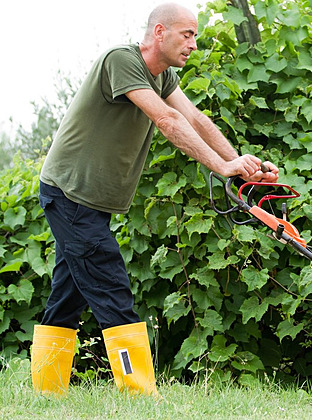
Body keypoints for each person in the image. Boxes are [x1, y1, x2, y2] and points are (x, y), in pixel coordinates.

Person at [30, 2, 279, 397]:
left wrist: (241, 166)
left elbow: (196, 119)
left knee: (68, 292)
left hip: (90, 201)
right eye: (188, 34)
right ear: (159, 32)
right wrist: (220, 166)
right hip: (70, 193)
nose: (194, 44)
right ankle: (139, 391)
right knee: (111, 285)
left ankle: (46, 389)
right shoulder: (121, 60)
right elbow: (168, 121)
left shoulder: (163, 77)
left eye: (195, 35)